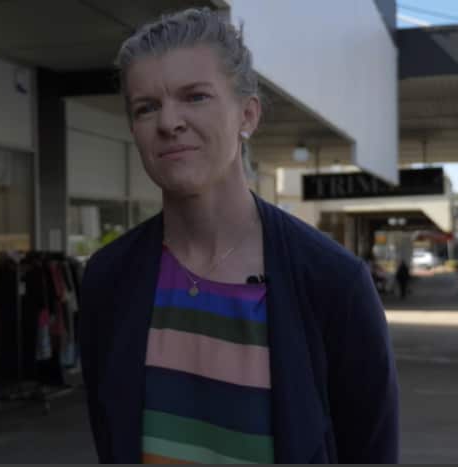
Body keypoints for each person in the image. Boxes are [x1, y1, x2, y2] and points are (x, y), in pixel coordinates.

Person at [79, 8, 398, 464]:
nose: (169, 122)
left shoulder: (334, 283)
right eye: (146, 107)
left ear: (247, 115)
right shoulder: (108, 279)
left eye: (195, 97)